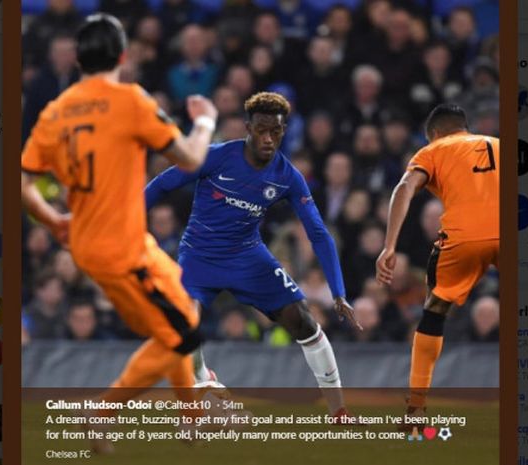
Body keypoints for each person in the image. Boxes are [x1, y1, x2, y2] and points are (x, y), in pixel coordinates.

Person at [21, 13, 218, 453]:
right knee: (182, 333)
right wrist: (205, 120)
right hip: (120, 249)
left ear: (77, 60)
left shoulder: (56, 112)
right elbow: (188, 158)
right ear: (123, 55)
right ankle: (102, 414)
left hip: (98, 243)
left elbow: (23, 184)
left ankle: (191, 419)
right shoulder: (129, 100)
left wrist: (53, 220)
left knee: (183, 313)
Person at [146, 92, 361, 418]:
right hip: (198, 257)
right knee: (182, 325)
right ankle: (205, 381)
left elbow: (318, 233)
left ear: (283, 131)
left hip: (248, 257)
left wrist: (339, 292)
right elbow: (161, 185)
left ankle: (338, 411)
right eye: (261, 130)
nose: (268, 138)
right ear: (247, 127)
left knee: (302, 320)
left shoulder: (288, 176)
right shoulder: (216, 157)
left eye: (275, 132)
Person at [375, 104, 499, 423]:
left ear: (435, 134)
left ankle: (416, 407)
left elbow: (405, 187)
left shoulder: (433, 150)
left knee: (435, 309)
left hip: (463, 238)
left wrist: (389, 245)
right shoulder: (499, 144)